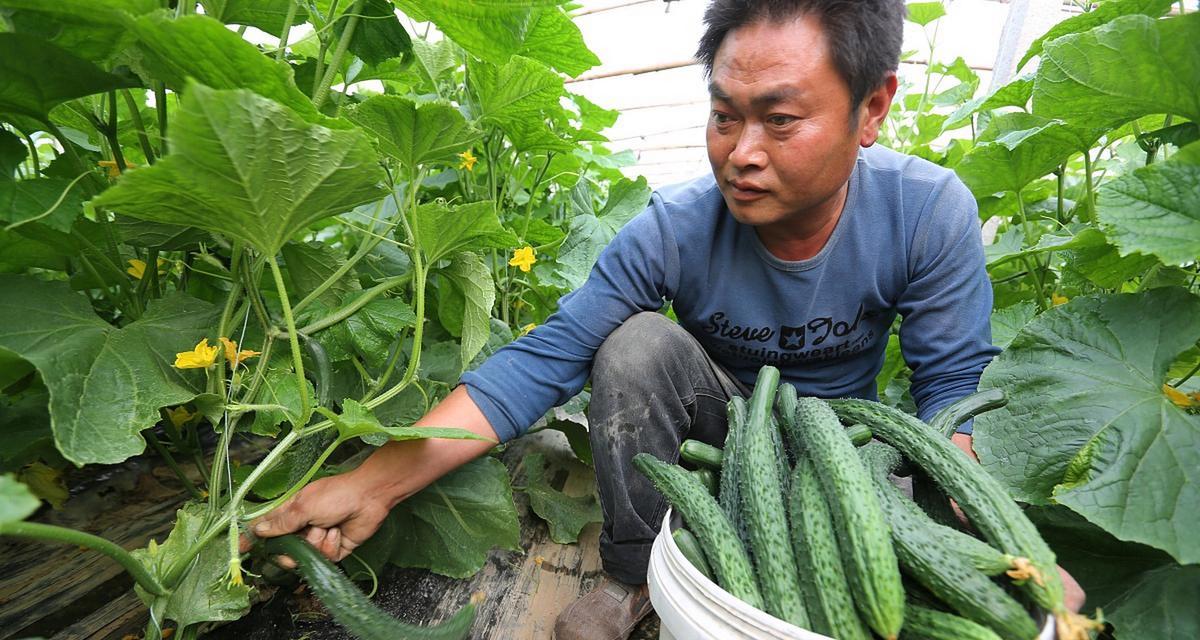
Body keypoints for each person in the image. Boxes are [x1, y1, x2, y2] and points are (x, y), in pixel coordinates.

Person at [249, 1, 1083, 638]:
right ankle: (635, 573)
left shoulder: (927, 210)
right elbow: (541, 360)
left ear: (873, 109)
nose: (741, 151)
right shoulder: (677, 225)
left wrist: (1007, 548)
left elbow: (952, 388)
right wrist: (369, 484)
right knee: (634, 343)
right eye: (725, 114)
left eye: (780, 119)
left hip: (846, 446)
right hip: (714, 426)